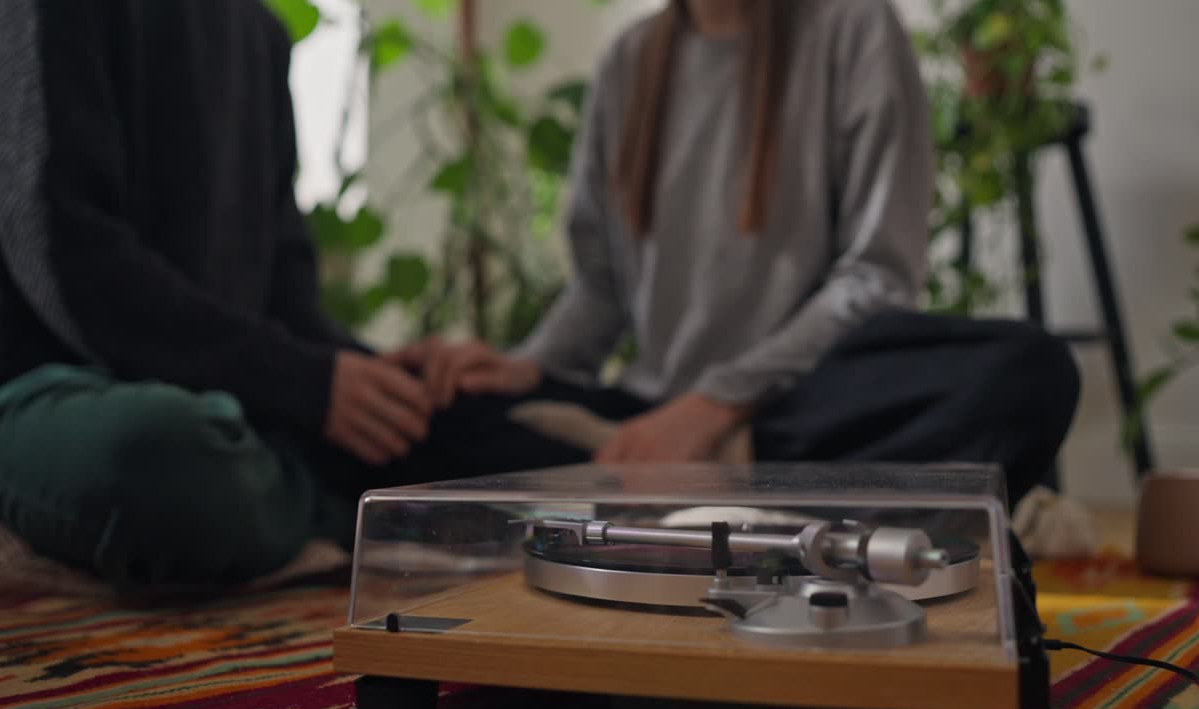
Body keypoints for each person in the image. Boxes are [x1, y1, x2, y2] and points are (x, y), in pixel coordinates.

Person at [0, 0, 589, 590]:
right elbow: (71, 265)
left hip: (234, 407)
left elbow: (287, 302)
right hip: (43, 400)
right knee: (173, 464)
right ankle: (346, 510)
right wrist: (303, 384)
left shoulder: (258, 32)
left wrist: (369, 380)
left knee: (520, 452)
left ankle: (339, 501)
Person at [392, 0, 1081, 505]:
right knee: (416, 414)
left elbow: (875, 277)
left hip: (792, 413)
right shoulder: (630, 58)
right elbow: (600, 290)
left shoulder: (855, 28)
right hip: (645, 422)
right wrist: (526, 367)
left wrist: (715, 409)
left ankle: (717, 477)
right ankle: (730, 495)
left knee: (1029, 371)